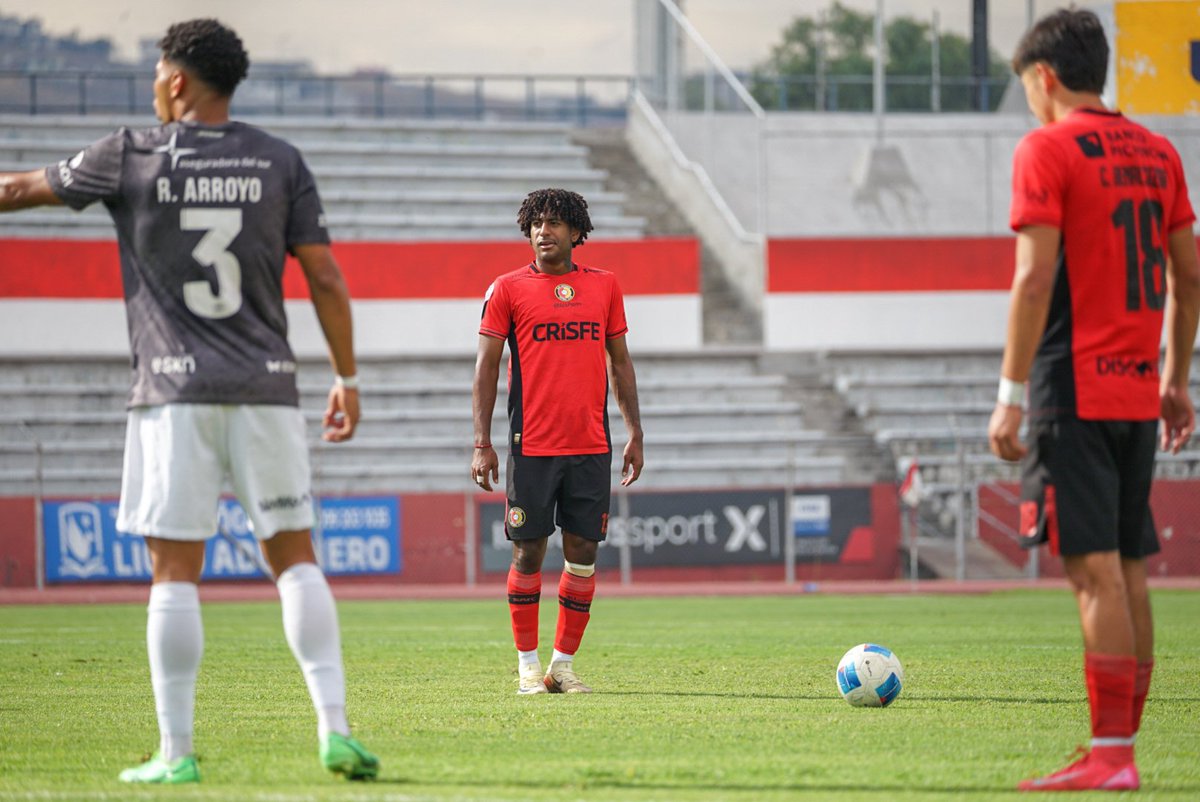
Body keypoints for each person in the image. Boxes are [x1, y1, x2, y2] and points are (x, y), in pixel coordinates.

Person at [0, 19, 379, 784]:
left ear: (176, 81)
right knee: (296, 559)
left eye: (155, 76)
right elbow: (328, 279)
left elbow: (15, 189)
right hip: (267, 388)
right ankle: (335, 731)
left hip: (173, 390)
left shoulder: (130, 153)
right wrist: (348, 376)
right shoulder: (279, 160)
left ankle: (176, 754)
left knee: (174, 570)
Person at [988, 8, 1200, 793]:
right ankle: (1120, 744)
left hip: (1071, 385)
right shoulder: (1158, 150)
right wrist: (1176, 378)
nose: (1029, 106)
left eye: (1027, 92)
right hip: (1137, 390)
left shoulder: (1047, 147)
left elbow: (1033, 277)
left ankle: (1112, 755)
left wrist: (1010, 395)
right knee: (1131, 568)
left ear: (1043, 79)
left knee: (1094, 573)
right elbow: (1190, 275)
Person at [471, 188, 644, 695]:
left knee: (583, 552)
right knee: (527, 553)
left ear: (576, 233)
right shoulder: (505, 289)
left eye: (554, 223)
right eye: (535, 224)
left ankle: (562, 667)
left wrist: (635, 430)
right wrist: (482, 441)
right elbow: (486, 367)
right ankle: (528, 668)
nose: (543, 231)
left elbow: (620, 361)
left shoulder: (606, 287)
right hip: (532, 446)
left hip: (591, 444)